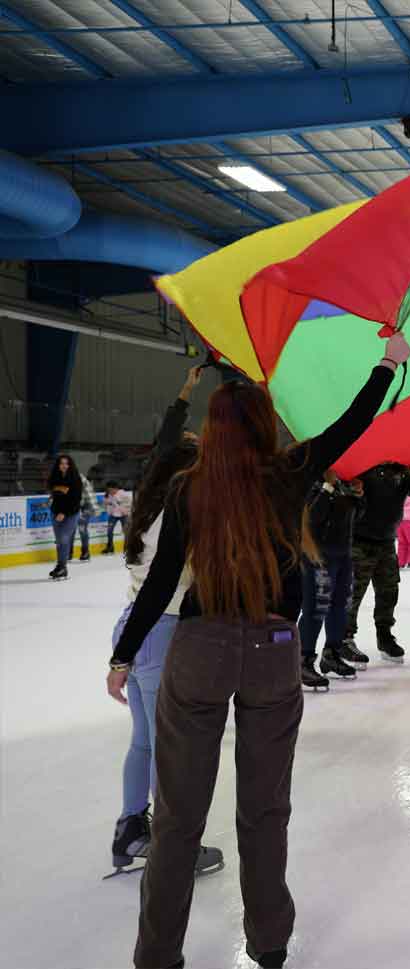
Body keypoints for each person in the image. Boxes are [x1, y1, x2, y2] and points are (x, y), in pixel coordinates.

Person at [107, 333, 410, 969]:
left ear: (213, 430)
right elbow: (351, 424)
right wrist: (388, 362)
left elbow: (163, 579)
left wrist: (123, 655)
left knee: (177, 820)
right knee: (265, 812)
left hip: (199, 649)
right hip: (273, 647)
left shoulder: (192, 486)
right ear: (265, 428)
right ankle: (269, 946)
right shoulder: (289, 474)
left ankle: (158, 955)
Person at [110, 365, 223, 879]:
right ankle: (169, 846)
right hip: (160, 630)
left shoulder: (148, 501)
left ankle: (132, 830)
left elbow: (164, 446)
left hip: (131, 625)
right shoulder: (180, 518)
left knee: (144, 741)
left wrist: (185, 392)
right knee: (169, 748)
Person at [346, 462, 410, 663]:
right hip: (359, 539)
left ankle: (385, 635)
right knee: (353, 592)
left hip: (386, 540)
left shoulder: (402, 465)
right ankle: (345, 637)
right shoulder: (364, 460)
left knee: (388, 591)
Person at [299, 473, 363, 688]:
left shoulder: (345, 483)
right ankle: (302, 659)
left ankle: (332, 653)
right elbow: (313, 518)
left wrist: (357, 496)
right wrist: (327, 487)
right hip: (317, 555)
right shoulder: (311, 481)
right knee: (317, 607)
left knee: (340, 606)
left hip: (342, 553)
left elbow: (357, 517)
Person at [46, 453, 83, 580]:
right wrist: (51, 504)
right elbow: (55, 495)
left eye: (66, 463)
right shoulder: (54, 478)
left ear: (70, 465)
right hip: (55, 513)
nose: (64, 466)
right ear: (58, 465)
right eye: (61, 463)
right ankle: (59, 566)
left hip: (71, 513)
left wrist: (64, 513)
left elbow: (75, 499)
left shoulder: (76, 479)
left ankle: (63, 567)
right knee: (59, 541)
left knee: (63, 539)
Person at [103, 481, 132, 555]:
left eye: (111, 490)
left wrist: (124, 510)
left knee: (126, 532)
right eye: (108, 490)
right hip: (113, 515)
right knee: (109, 531)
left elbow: (129, 504)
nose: (110, 491)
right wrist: (107, 506)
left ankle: (127, 548)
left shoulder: (123, 494)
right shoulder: (108, 495)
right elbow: (106, 505)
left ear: (116, 488)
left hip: (123, 515)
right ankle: (110, 547)